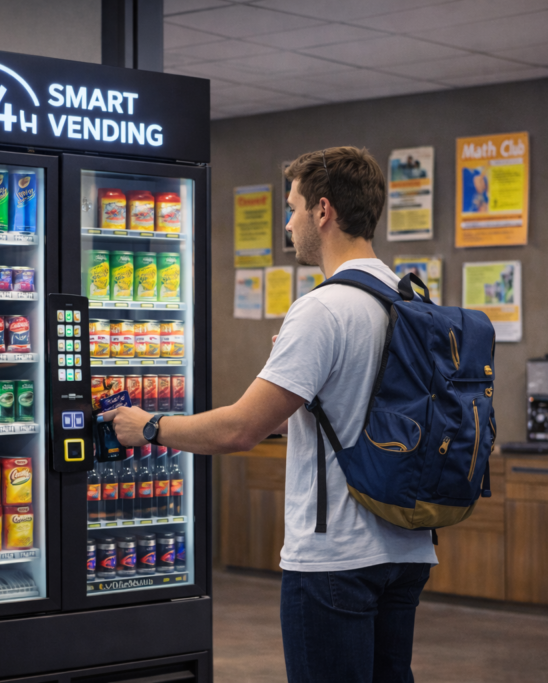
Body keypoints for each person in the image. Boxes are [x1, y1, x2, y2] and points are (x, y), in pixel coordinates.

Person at [103, 146, 437, 683]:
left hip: (335, 560)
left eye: (293, 207)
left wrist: (147, 426)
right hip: (406, 545)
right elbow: (348, 413)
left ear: (322, 211)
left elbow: (240, 429)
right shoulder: (406, 299)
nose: (288, 223)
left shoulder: (324, 308)